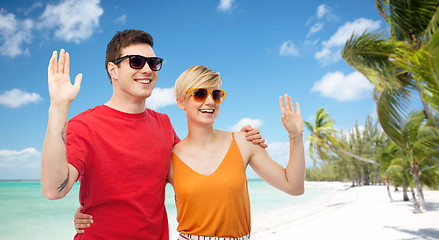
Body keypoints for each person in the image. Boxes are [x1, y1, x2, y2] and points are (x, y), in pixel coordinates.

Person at [41, 30, 265, 240]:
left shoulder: (164, 124)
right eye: (136, 62)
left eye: (154, 63)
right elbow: (53, 189)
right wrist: (59, 107)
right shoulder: (85, 125)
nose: (147, 69)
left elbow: (197, 171)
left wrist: (239, 141)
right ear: (113, 70)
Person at [74, 65, 306, 239]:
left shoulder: (245, 142)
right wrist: (87, 214)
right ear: (181, 102)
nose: (210, 101)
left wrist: (295, 136)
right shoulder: (169, 157)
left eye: (216, 95)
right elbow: (130, 197)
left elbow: (293, 186)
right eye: (200, 94)